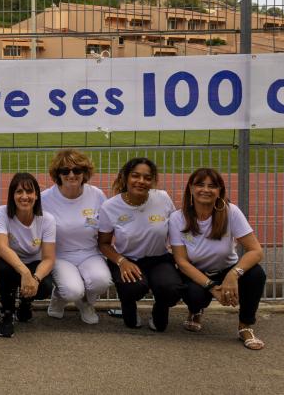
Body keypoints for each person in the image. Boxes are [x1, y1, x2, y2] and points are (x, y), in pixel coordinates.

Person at [170, 168, 267, 350]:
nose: (205, 190)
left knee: (256, 275)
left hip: (226, 270)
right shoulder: (177, 218)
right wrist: (212, 287)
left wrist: (233, 275)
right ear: (190, 188)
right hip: (196, 274)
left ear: (220, 191)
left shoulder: (231, 212)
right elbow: (181, 262)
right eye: (200, 184)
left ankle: (245, 326)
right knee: (195, 296)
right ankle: (196, 310)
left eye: (212, 186)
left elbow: (256, 251)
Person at [97, 157, 181, 331]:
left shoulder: (163, 198)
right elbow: (103, 244)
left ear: (153, 181)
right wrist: (121, 262)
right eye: (135, 176)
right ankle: (128, 305)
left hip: (159, 259)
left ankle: (160, 309)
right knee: (133, 288)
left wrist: (180, 259)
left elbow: (176, 230)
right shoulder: (110, 206)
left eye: (147, 178)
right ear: (125, 177)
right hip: (127, 259)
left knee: (171, 289)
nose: (141, 181)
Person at [39, 149, 110, 325]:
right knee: (72, 290)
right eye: (65, 171)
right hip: (60, 255)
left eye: (77, 170)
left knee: (102, 282)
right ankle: (59, 297)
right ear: (58, 174)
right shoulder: (45, 198)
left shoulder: (97, 195)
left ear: (85, 173)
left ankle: (86, 303)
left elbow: (106, 227)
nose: (71, 175)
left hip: (90, 252)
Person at [0, 172, 56, 338]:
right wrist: (25, 273)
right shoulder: (1, 212)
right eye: (19, 192)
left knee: (46, 286)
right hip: (7, 262)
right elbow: (2, 248)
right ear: (12, 195)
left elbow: (49, 258)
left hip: (32, 262)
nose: (24, 197)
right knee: (2, 268)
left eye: (29, 192)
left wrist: (35, 279)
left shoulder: (47, 219)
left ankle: (26, 302)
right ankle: (7, 312)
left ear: (36, 195)